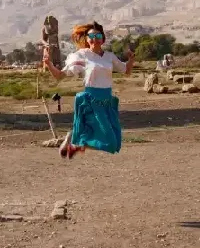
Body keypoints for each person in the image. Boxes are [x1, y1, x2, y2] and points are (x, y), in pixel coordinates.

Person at [42, 21, 134, 159]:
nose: (94, 39)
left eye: (98, 36)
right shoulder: (81, 55)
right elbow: (59, 76)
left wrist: (131, 60)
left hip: (107, 101)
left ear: (103, 39)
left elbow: (126, 71)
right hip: (91, 101)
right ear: (87, 39)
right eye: (91, 36)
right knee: (110, 142)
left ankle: (75, 143)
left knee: (114, 142)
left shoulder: (110, 56)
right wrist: (48, 64)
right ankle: (76, 142)